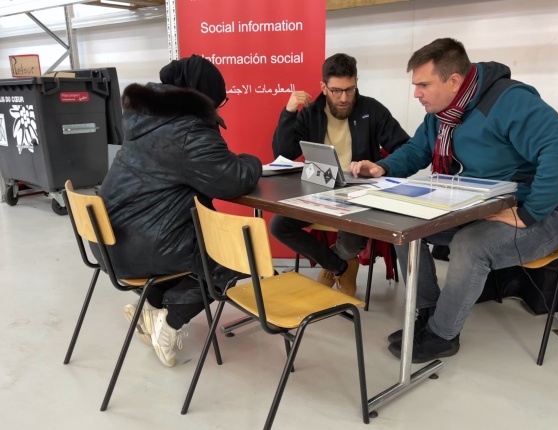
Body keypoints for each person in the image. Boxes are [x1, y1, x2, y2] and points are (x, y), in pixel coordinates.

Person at [349, 38, 558, 363]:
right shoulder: (442, 114)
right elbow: (417, 150)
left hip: (546, 215)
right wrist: (383, 166)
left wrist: (529, 212)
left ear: (454, 81)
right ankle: (429, 316)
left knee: (469, 245)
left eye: (424, 84)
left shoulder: (508, 101)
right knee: (400, 228)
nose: (416, 93)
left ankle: (442, 336)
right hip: (481, 207)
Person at [93, 55, 262, 367]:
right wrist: (253, 160)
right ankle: (170, 324)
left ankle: (151, 306)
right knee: (236, 253)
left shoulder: (144, 118)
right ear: (204, 97)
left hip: (110, 239)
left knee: (194, 241)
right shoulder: (188, 129)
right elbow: (232, 181)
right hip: (140, 245)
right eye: (218, 102)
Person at [270, 53, 409, 297]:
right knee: (280, 226)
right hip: (319, 189)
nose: (344, 98)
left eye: (350, 89)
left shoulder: (372, 109)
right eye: (336, 91)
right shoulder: (311, 113)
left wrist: (381, 166)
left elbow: (404, 147)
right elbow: (283, 153)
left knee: (353, 240)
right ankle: (339, 265)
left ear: (356, 83)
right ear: (323, 87)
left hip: (360, 192)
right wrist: (289, 112)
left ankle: (338, 262)